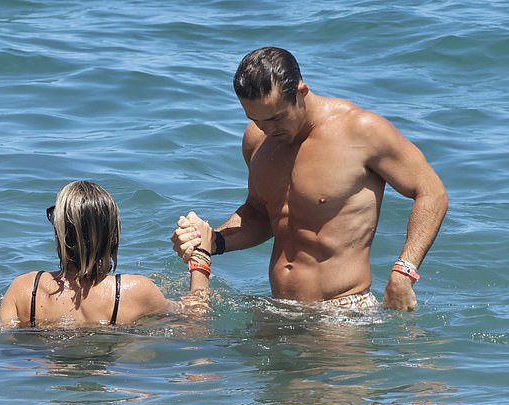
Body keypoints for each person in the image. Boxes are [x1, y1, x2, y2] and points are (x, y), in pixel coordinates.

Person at [171, 47, 448, 311]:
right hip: (279, 307)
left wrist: (404, 271)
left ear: (300, 92)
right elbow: (260, 215)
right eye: (256, 119)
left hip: (343, 311)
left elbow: (432, 192)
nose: (268, 130)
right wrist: (213, 240)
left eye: (277, 117)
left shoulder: (361, 131)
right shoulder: (257, 139)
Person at [0, 181, 213, 328]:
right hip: (115, 370)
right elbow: (195, 318)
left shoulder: (25, 290)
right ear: (113, 233)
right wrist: (201, 256)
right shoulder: (136, 291)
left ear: (60, 232)